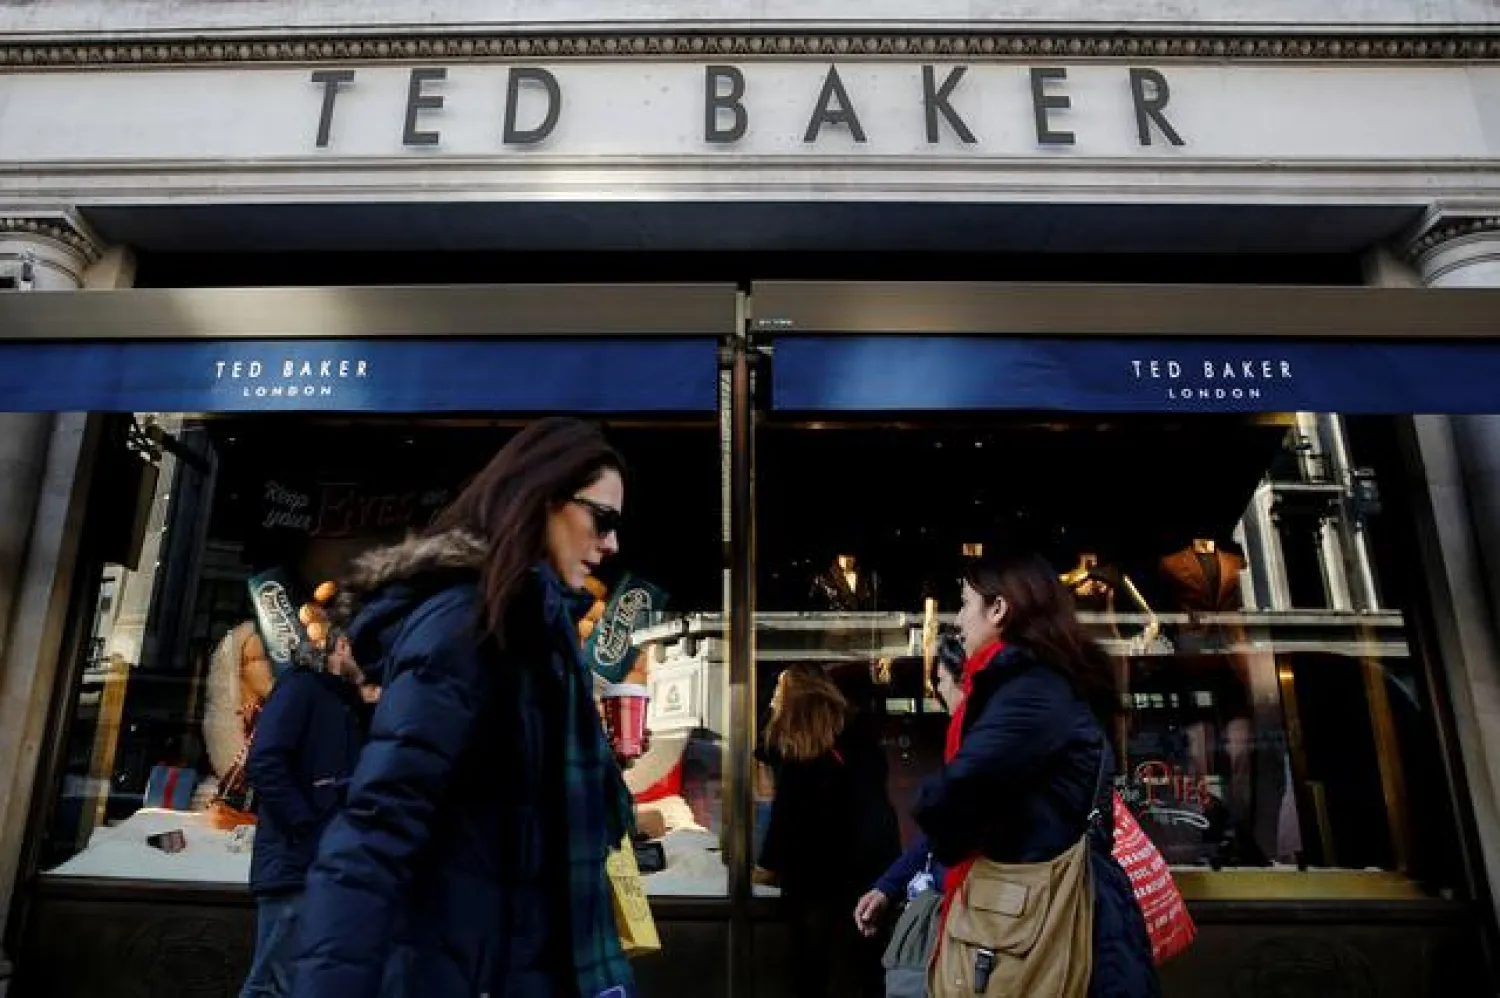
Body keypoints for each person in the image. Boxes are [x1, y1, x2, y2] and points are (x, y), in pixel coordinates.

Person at [291, 417, 638, 998]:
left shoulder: (538, 633)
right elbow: (378, 828)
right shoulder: (466, 625)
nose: (611, 544)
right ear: (540, 500)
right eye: (602, 520)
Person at [913, 553, 1160, 998]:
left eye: (966, 603)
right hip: (1055, 909)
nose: (958, 619)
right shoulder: (1046, 682)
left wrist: (953, 836)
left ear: (999, 609)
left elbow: (955, 792)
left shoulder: (1029, 687)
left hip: (1039, 919)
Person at [756, 663, 901, 998]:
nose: (774, 700)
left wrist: (768, 866)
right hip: (860, 884)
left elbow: (785, 821)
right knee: (860, 975)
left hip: (812, 886)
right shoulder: (854, 740)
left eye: (780, 692)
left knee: (810, 973)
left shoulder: (797, 754)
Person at [240, 635, 369, 998]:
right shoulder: (301, 687)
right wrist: (308, 825)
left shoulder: (342, 699)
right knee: (274, 986)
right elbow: (265, 763)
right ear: (343, 646)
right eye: (369, 651)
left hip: (318, 863)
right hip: (296, 864)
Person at [852, 629, 965, 937]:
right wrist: (887, 886)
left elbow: (940, 829)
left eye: (940, 681)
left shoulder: (979, 747)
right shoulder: (963, 740)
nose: (938, 693)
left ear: (964, 682)